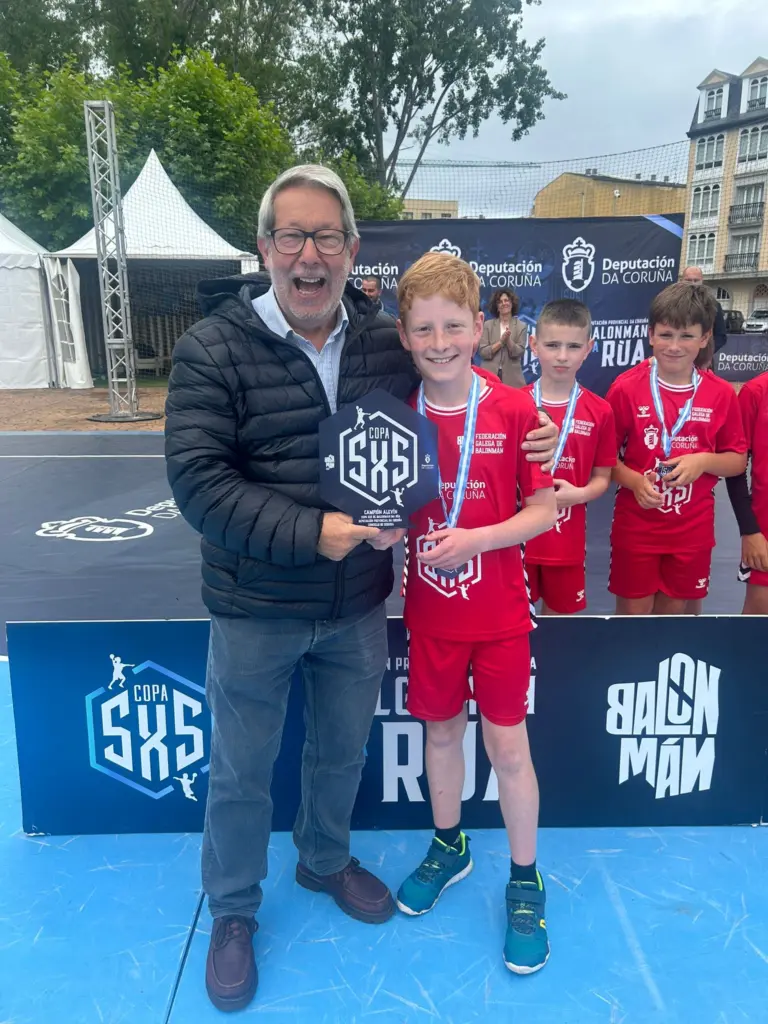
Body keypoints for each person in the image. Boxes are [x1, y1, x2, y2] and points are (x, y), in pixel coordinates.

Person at [164, 164, 559, 1012]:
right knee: (241, 769)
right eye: (292, 237)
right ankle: (233, 911)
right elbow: (199, 485)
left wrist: (537, 433)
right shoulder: (211, 349)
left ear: (350, 250)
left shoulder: (386, 342)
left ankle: (323, 859)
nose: (309, 255)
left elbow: (464, 396)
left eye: (326, 237)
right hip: (256, 604)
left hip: (356, 605)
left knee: (341, 750)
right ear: (265, 247)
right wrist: (312, 533)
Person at [393, 251, 557, 976]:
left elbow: (544, 510)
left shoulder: (516, 410)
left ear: (479, 326)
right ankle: (449, 844)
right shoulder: (394, 418)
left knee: (508, 748)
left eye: (453, 326)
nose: (440, 343)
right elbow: (384, 511)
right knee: (439, 735)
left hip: (499, 617)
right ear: (404, 335)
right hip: (430, 616)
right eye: (424, 329)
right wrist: (381, 531)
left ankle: (525, 878)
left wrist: (476, 540)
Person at [606, 282, 747, 616]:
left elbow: (737, 461)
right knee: (632, 618)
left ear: (705, 337)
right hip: (636, 527)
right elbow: (605, 460)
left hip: (691, 531)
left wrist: (703, 461)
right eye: (666, 335)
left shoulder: (721, 394)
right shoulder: (626, 389)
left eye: (686, 336)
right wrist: (634, 481)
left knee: (674, 618)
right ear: (651, 334)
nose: (674, 346)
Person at [523, 300, 617, 614]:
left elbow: (603, 477)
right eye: (552, 345)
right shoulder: (513, 405)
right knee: (514, 626)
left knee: (561, 628)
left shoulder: (600, 411)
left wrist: (578, 495)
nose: (562, 356)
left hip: (566, 545)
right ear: (534, 345)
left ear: (588, 348)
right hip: (516, 542)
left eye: (573, 346)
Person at [726, 371, 768, 614]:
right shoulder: (756, 392)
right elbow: (735, 470)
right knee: (759, 621)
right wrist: (750, 531)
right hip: (765, 531)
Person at [478, 288, 528, 387]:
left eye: (506, 300)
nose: (503, 303)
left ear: (512, 304)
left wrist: (508, 341)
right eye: (500, 302)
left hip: (512, 378)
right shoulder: (488, 325)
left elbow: (518, 353)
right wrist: (500, 343)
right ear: (496, 307)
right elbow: (483, 352)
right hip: (489, 376)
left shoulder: (521, 326)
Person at [681, 266, 727, 369]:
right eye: (688, 280)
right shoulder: (673, 304)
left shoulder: (714, 305)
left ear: (702, 281)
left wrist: (704, 353)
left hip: (703, 362)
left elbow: (721, 336)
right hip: (679, 358)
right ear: (681, 281)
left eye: (696, 280)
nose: (692, 284)